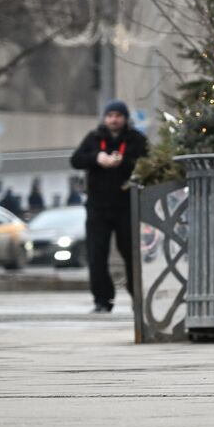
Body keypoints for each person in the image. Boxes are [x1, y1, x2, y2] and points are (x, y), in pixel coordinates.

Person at [69, 101, 148, 313]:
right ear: (105, 117)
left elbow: (147, 163)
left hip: (126, 205)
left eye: (118, 115)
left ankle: (138, 297)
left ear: (125, 118)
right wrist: (97, 158)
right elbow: (76, 160)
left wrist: (123, 162)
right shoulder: (94, 138)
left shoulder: (136, 139)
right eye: (110, 115)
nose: (114, 119)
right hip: (97, 207)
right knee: (96, 254)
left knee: (131, 254)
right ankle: (102, 300)